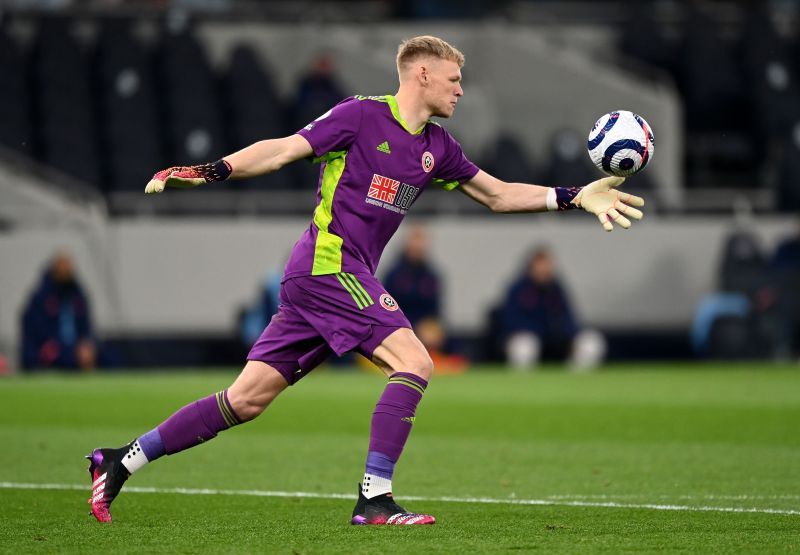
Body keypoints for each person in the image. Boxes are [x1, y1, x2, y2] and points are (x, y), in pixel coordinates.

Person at [87, 35, 645, 526]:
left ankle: (121, 459)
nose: (460, 91)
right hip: (328, 267)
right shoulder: (359, 116)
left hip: (323, 282)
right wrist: (214, 170)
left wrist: (574, 197)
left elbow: (499, 194)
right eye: (454, 80)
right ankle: (374, 499)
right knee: (416, 362)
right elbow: (282, 150)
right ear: (422, 73)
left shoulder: (438, 148)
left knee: (245, 400)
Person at [500, 247, 606, 371]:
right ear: (531, 267)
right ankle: (523, 385)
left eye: (547, 265)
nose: (544, 269)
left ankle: (577, 382)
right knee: (524, 345)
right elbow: (512, 321)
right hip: (530, 338)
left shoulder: (556, 288)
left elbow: (568, 318)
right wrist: (541, 331)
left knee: (591, 341)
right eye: (540, 266)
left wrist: (566, 334)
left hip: (558, 340)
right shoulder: (518, 289)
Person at [21, 251, 97, 371]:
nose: (65, 271)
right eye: (62, 268)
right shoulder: (41, 297)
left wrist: (86, 344)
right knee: (60, 356)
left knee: (108, 356)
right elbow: (39, 329)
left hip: (75, 347)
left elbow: (86, 326)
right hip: (53, 346)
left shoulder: (78, 296)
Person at [382, 224, 441, 326]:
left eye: (420, 244)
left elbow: (435, 312)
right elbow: (386, 308)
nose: (417, 246)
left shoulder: (431, 277)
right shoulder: (393, 276)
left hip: (424, 328)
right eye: (415, 242)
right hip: (397, 326)